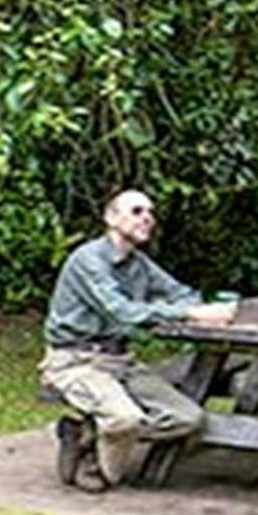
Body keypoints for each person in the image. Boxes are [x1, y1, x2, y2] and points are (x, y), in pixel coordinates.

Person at [41, 190, 237, 490]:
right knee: (125, 418)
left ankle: (87, 435)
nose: (147, 217)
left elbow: (181, 293)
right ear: (110, 218)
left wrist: (198, 307)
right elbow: (123, 311)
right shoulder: (88, 260)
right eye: (136, 211)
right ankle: (101, 471)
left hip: (119, 361)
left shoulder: (139, 263)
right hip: (75, 361)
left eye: (150, 212)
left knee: (188, 418)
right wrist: (191, 313)